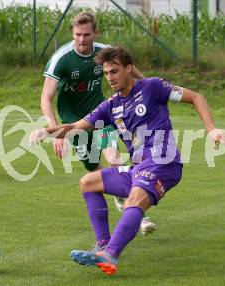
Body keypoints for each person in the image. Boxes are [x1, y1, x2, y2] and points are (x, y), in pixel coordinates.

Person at [30, 46, 225, 276]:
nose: (110, 78)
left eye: (114, 71)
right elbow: (76, 127)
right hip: (139, 166)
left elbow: (196, 97)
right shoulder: (111, 105)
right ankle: (103, 245)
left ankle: (110, 255)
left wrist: (212, 129)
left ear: (129, 69)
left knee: (134, 199)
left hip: (163, 162)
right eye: (106, 74)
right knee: (88, 182)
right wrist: (48, 132)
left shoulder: (152, 87)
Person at [41, 11, 157, 235]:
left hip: (102, 117)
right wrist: (55, 131)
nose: (82, 39)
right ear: (72, 33)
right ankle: (121, 200)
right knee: (97, 172)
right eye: (77, 35)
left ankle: (135, 213)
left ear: (96, 33)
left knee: (114, 159)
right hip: (74, 125)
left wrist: (153, 89)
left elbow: (132, 74)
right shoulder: (62, 58)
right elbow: (46, 97)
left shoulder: (105, 52)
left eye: (86, 35)